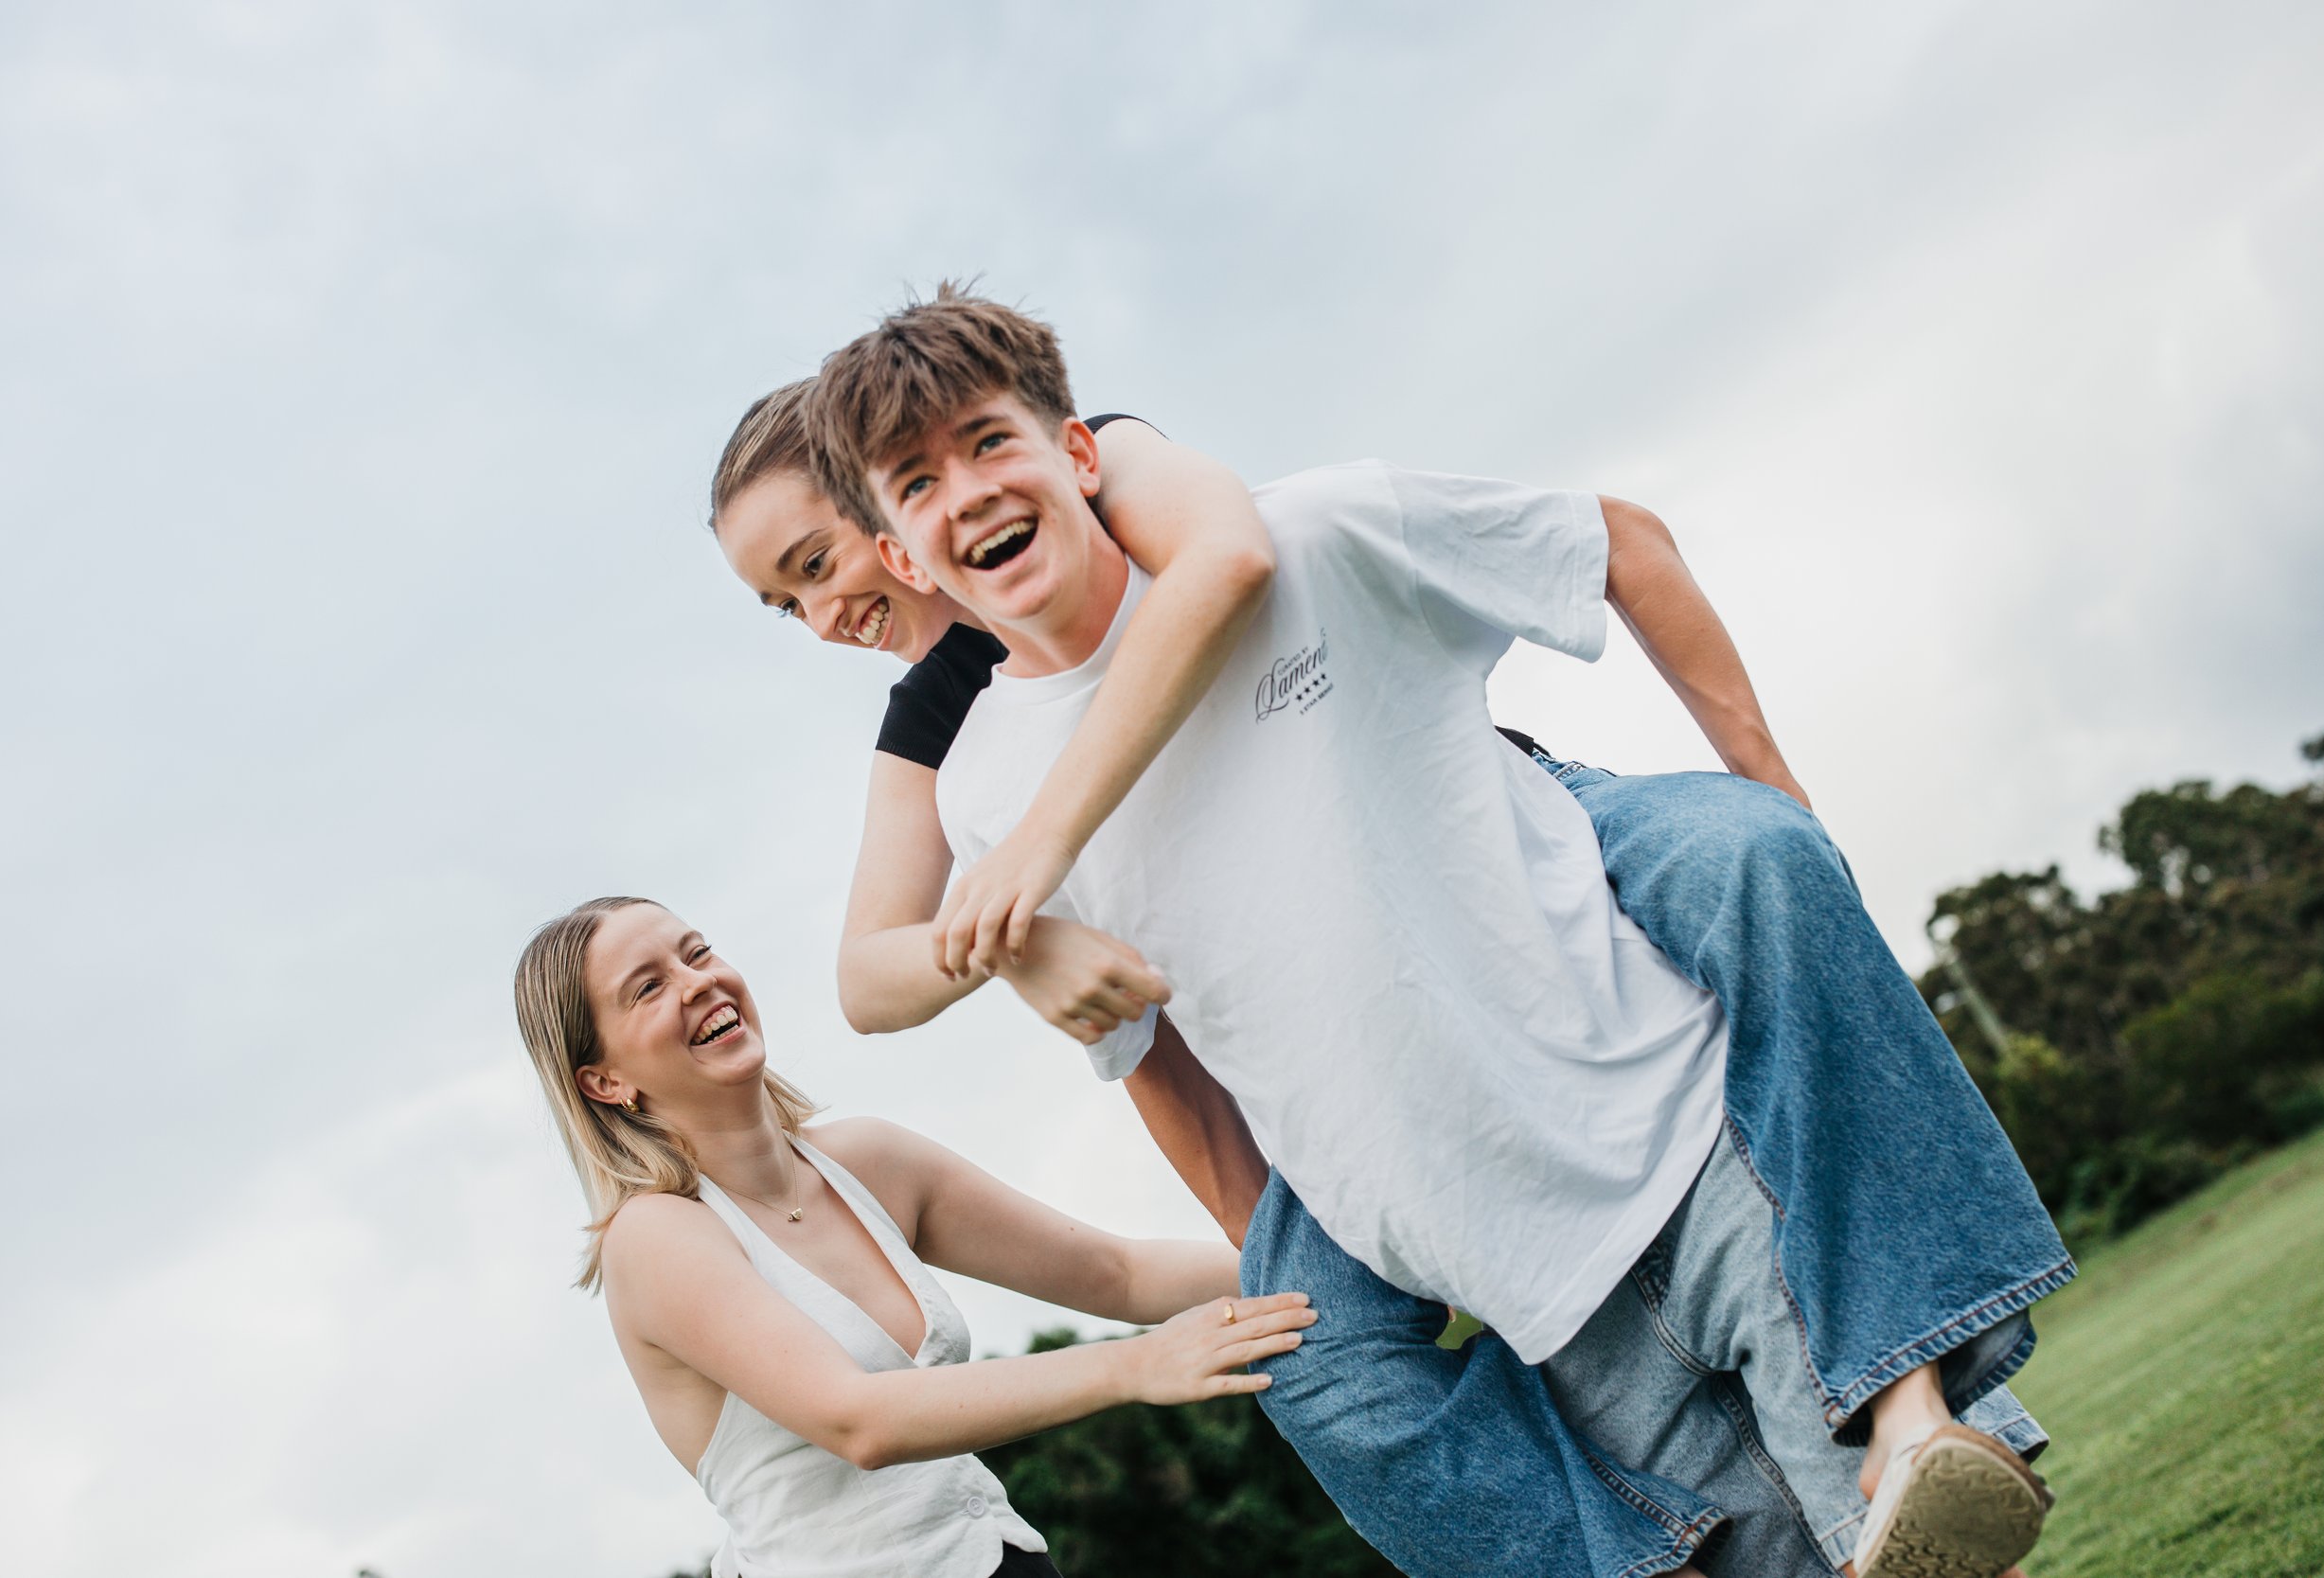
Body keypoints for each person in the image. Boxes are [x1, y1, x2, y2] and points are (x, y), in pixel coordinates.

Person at [797, 285, 2070, 1578]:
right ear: (903, 555)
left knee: (1932, 1544)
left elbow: (1611, 542)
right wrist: (1331, 1293)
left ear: (1079, 452)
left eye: (989, 441)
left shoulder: (1316, 536)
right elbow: (1158, 1071)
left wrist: (1768, 792)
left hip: (1694, 1141)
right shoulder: (982, 794)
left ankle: (1909, 1410)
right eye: (916, 479)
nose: (964, 490)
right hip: (1522, 1290)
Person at [511, 895, 1318, 1578]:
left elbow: (1119, 1271)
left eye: (697, 952)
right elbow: (862, 1420)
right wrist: (1136, 1363)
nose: (700, 983)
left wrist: (1339, 1261)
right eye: (649, 987)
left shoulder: (869, 1161)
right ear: (604, 1081)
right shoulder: (653, 1238)